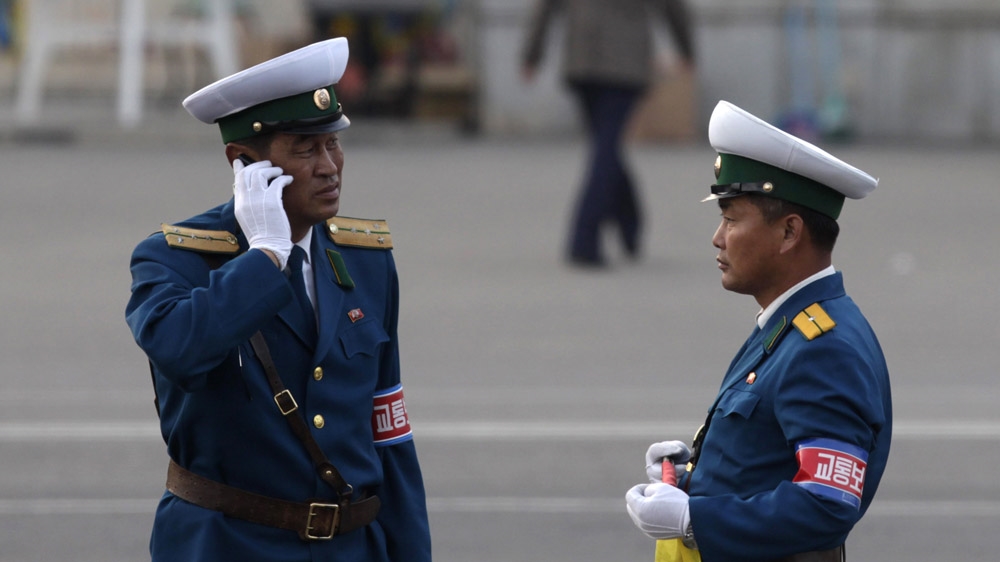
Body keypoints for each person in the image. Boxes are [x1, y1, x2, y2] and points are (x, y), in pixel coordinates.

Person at [125, 38, 431, 562]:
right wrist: (266, 254)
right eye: (306, 149)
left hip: (352, 548)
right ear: (244, 162)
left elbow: (389, 430)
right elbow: (180, 349)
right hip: (229, 544)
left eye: (333, 143)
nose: (330, 165)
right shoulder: (173, 258)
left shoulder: (366, 259)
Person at [625, 100, 892, 561]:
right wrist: (690, 479)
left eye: (731, 218)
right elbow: (770, 466)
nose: (718, 236)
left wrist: (692, 520)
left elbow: (826, 503)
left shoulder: (824, 348)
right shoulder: (789, 323)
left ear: (789, 233)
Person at [520, 0, 696, 267]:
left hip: (584, 56)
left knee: (606, 147)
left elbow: (545, 6)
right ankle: (602, 232)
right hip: (622, 60)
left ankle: (612, 231)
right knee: (607, 148)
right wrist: (687, 50)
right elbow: (673, 7)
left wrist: (532, 53)